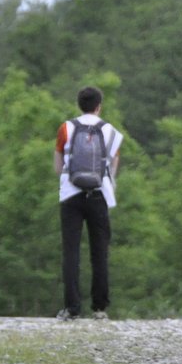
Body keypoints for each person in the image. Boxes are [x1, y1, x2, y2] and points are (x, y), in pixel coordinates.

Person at [55, 85, 123, 320]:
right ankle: (100, 307)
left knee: (71, 251)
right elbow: (113, 166)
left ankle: (72, 307)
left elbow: (57, 166)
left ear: (79, 104)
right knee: (99, 251)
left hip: (70, 194)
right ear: (99, 106)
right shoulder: (110, 131)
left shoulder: (66, 128)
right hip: (99, 194)